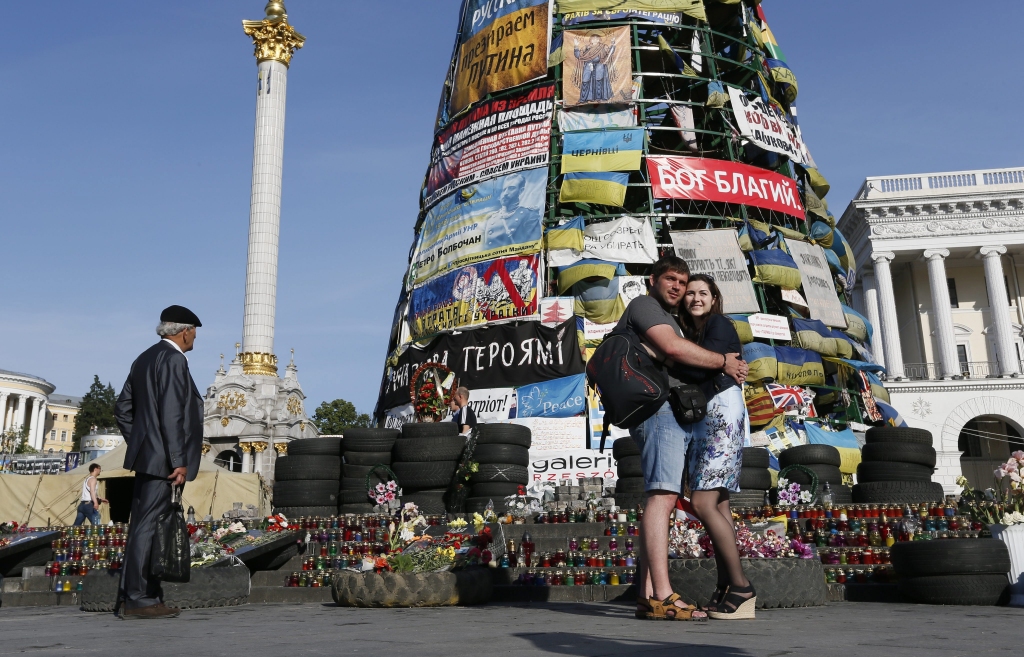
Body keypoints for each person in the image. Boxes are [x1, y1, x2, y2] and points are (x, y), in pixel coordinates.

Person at [618, 255, 748, 621]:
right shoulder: (646, 307)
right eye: (673, 281)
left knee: (707, 500)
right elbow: (675, 350)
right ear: (653, 280)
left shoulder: (704, 324)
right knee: (667, 496)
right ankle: (664, 594)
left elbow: (679, 353)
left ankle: (654, 593)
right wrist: (723, 362)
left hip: (690, 413)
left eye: (688, 284)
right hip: (660, 409)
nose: (682, 290)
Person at [113, 305, 205, 620]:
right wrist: (177, 459)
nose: (195, 337)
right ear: (185, 331)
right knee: (148, 527)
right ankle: (139, 598)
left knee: (143, 525)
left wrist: (142, 442)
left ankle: (142, 595)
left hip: (149, 458)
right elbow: (173, 413)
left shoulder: (143, 359)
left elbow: (123, 408)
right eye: (194, 331)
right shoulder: (175, 359)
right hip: (166, 461)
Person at [677, 274, 756, 620]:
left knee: (702, 501)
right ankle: (727, 586)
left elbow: (696, 371)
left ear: (714, 298)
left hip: (721, 413)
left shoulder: (719, 324)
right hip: (708, 415)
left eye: (703, 293)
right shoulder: (692, 332)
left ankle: (741, 587)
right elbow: (702, 366)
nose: (696, 298)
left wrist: (673, 358)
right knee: (719, 502)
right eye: (690, 293)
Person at [482, 174, 541, 250]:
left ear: (521, 191)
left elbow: (533, 246)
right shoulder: (491, 218)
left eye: (511, 188)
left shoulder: (529, 215)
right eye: (504, 189)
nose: (506, 193)